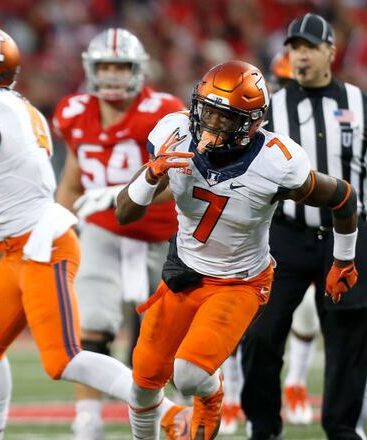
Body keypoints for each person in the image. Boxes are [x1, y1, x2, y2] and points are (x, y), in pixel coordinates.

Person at [0, 24, 189, 440]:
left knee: (64, 358)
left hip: (43, 246)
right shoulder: (13, 108)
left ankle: (167, 412)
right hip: (18, 248)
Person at [115, 60, 360, 440]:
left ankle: (212, 397)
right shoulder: (173, 132)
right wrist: (151, 174)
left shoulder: (277, 162)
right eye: (206, 110)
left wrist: (344, 257)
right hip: (185, 272)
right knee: (143, 379)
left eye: (223, 117)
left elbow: (343, 197)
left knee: (190, 375)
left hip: (239, 282)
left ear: (250, 123)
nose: (209, 124)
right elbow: (125, 212)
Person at [53, 28, 185, 439]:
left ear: (138, 69)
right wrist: (57, 224)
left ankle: (162, 414)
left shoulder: (163, 113)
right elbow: (73, 178)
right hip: (101, 232)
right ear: (91, 69)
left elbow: (181, 181)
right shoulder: (74, 112)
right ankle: (88, 419)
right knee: (90, 324)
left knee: (163, 336)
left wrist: (119, 193)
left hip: (160, 237)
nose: (112, 74)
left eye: (121, 66)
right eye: (105, 66)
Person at [240, 13, 367, 440]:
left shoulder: (359, 101)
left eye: (310, 47)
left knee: (348, 340)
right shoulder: (270, 108)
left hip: (346, 238)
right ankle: (263, 424)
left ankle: (342, 427)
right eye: (295, 48)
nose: (301, 56)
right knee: (261, 333)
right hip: (286, 235)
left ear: (331, 50)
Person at [219, 48, 321, 435]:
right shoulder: (248, 125)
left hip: (296, 228)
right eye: (279, 84)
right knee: (236, 309)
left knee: (307, 312)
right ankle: (230, 394)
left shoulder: (318, 124)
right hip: (248, 228)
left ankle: (294, 383)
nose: (285, 92)